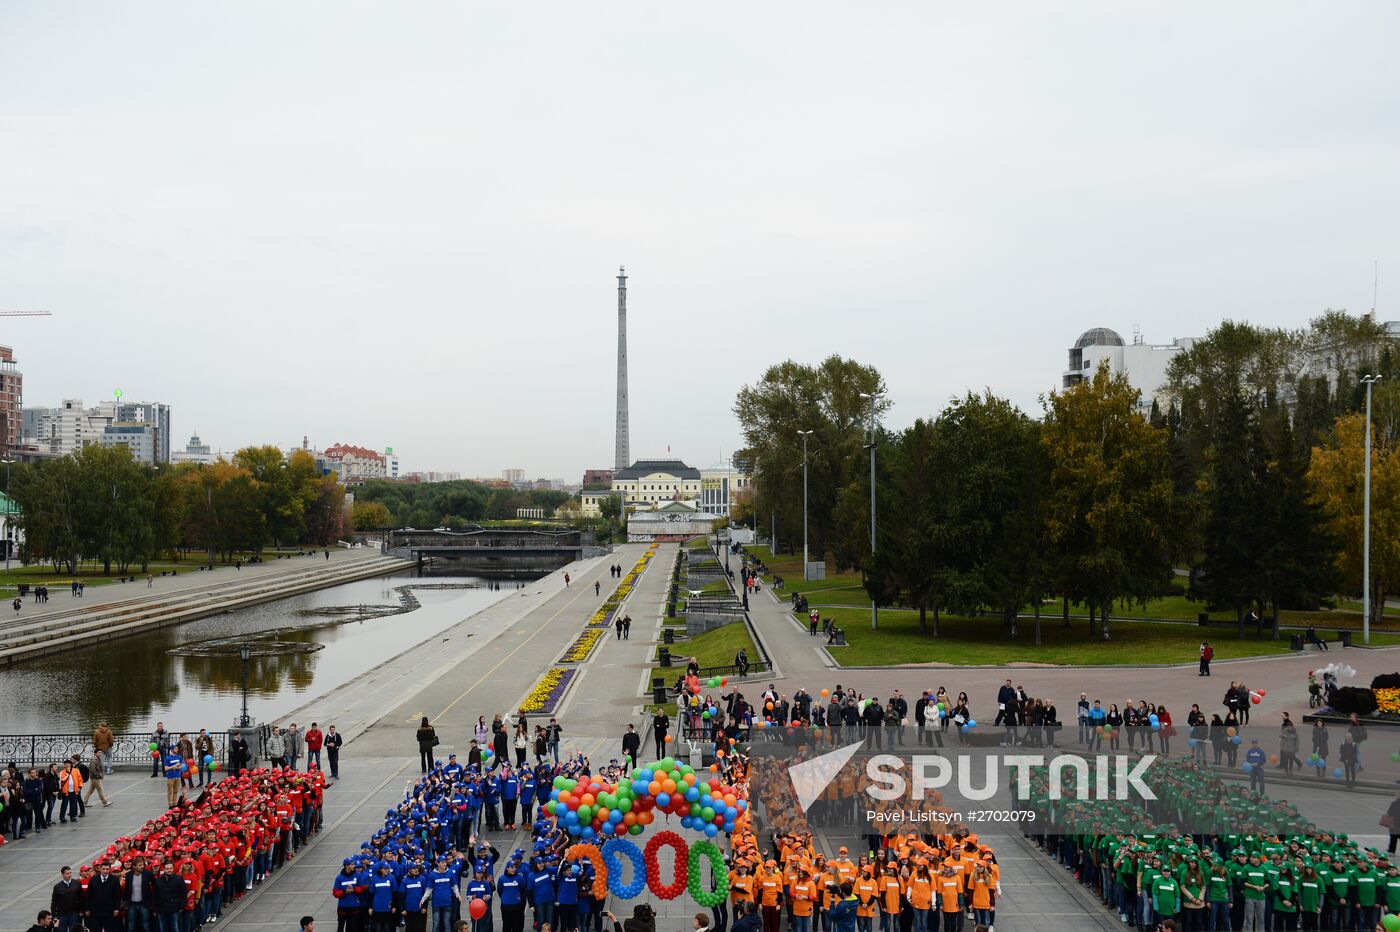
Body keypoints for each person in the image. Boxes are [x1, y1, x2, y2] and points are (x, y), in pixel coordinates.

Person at [51, 867, 84, 931]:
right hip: (62, 915)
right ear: (62, 874)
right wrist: (53, 915)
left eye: (70, 873)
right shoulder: (57, 887)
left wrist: (81, 911)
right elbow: (54, 902)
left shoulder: (77, 883)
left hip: (74, 914)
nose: (69, 875)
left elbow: (81, 898)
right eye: (67, 873)